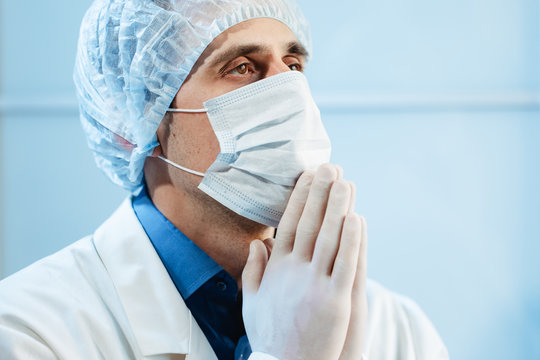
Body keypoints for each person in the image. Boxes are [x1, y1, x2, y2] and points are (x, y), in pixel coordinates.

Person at [0, 0, 449, 359]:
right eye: (243, 67)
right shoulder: (31, 333)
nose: (289, 93)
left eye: (292, 65)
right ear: (138, 120)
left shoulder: (398, 332)